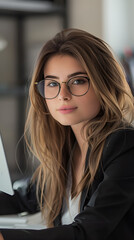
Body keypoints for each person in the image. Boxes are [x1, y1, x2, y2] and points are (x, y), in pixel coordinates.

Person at [0, 28, 134, 240]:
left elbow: (88, 232)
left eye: (78, 81)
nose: (63, 95)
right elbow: (19, 200)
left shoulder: (125, 144)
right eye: (53, 83)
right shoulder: (67, 149)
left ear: (104, 83)